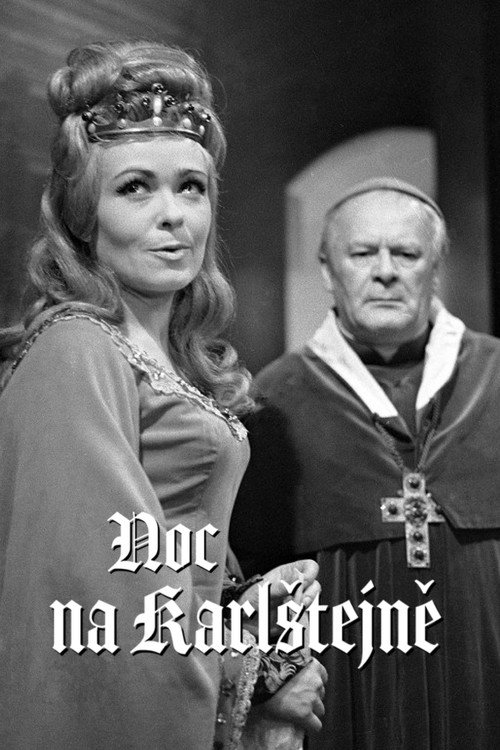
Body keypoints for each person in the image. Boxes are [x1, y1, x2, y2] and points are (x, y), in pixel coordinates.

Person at [0, 40, 327, 749]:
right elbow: (102, 595)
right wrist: (251, 675)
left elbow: (176, 558)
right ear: (83, 214)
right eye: (135, 188)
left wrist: (246, 611)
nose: (172, 214)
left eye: (191, 187)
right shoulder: (77, 350)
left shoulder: (161, 358)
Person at [230, 178, 500, 749]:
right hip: (347, 693)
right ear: (328, 270)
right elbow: (246, 585)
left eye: (406, 253)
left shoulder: (495, 376)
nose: (385, 272)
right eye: (362, 253)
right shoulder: (272, 403)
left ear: (437, 267)